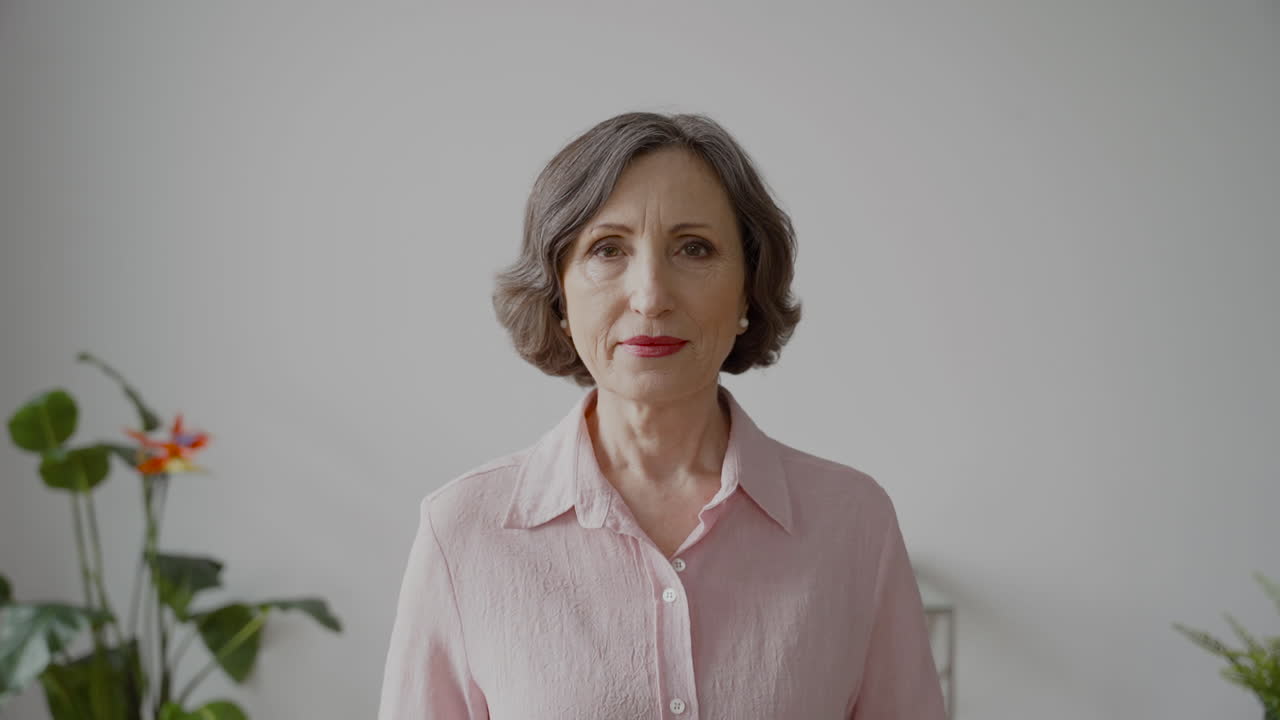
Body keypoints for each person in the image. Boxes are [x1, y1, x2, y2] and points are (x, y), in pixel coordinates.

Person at [377, 111, 946, 719]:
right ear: (559, 295)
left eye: (694, 248)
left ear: (748, 293)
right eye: (607, 249)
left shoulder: (854, 523)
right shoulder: (463, 530)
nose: (650, 295)